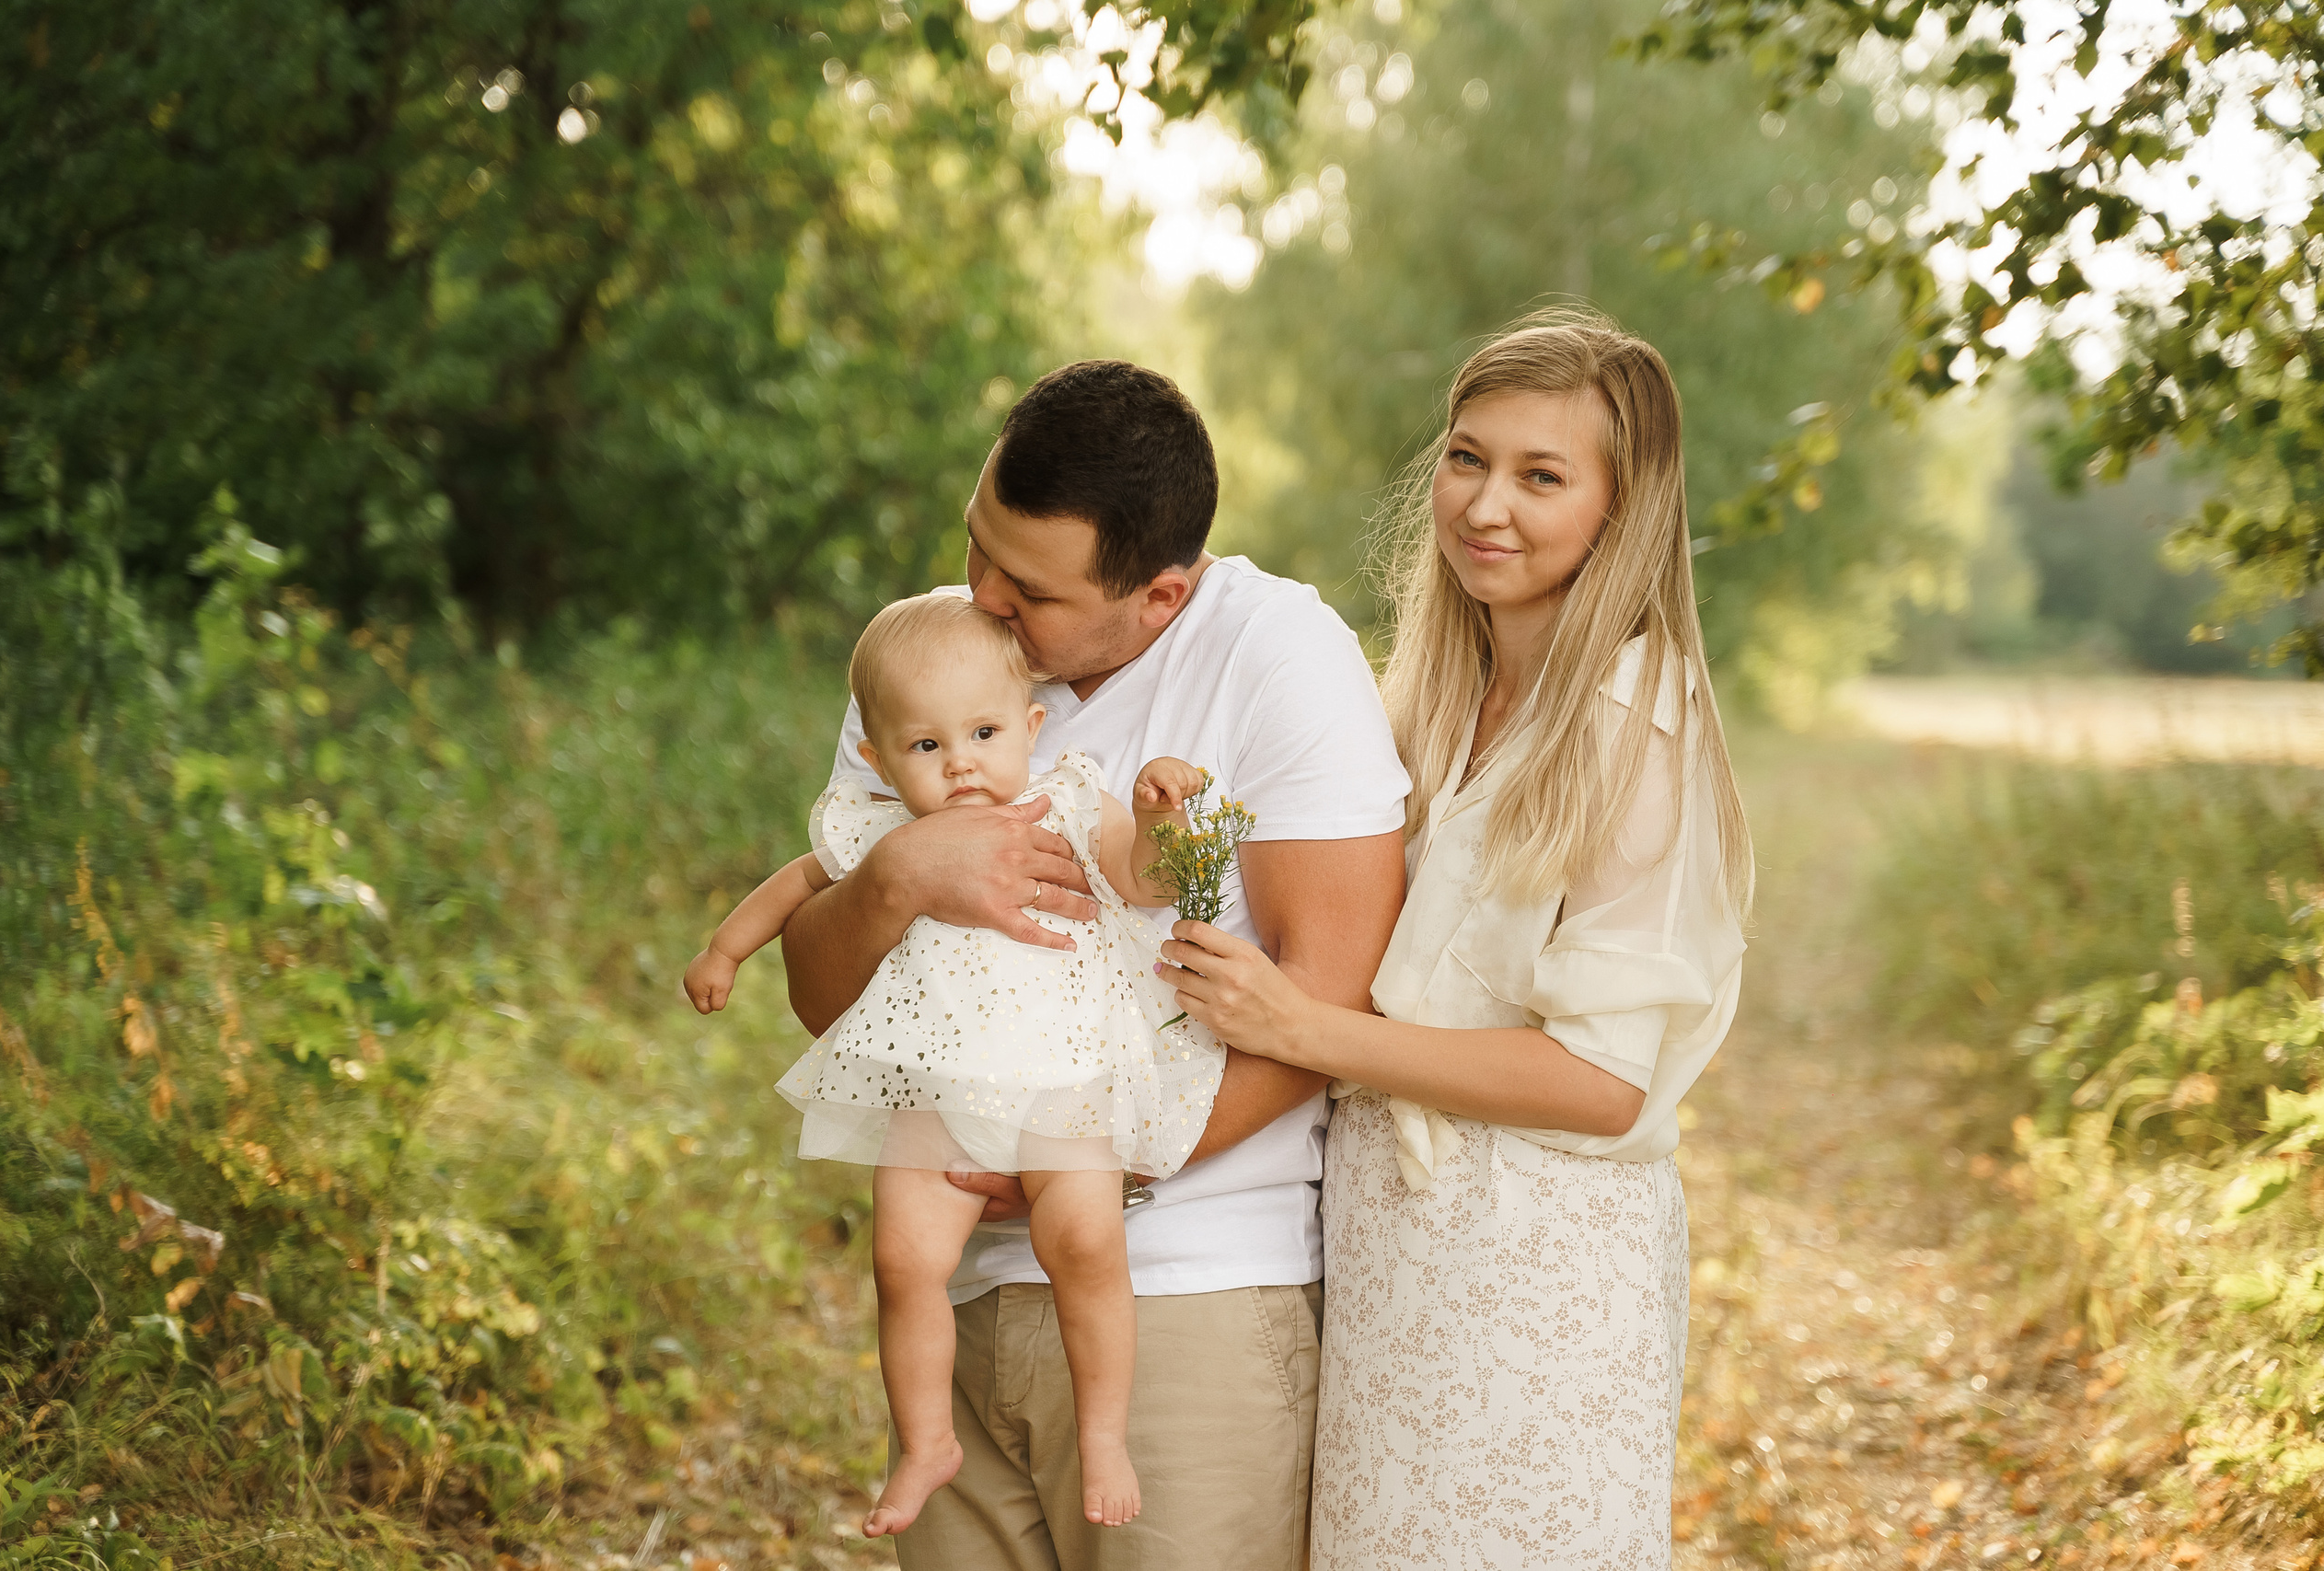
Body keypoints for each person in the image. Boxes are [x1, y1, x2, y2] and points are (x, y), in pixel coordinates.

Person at [780, 360, 1409, 1570]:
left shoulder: (1280, 658)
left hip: (1190, 1292)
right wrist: (904, 875)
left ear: (1160, 595)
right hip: (959, 1287)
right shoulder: (936, 662)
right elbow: (824, 998)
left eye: (1028, 590)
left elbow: (1332, 994)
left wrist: (1078, 1155)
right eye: (976, 548)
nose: (982, 598)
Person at [1159, 307, 1752, 1568]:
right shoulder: (1425, 694)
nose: (1487, 503)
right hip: (1391, 1253)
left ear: (1620, 506)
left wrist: (1315, 1031)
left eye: (1543, 475)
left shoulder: (1632, 729)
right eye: (1467, 456)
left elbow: (1603, 1079)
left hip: (1538, 1267)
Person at [683, 593, 1225, 1535]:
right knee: (904, 1261)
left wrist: (1161, 815)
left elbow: (1145, 880)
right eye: (926, 747)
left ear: (1031, 727)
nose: (961, 762)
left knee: (1087, 1247)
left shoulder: (1060, 798)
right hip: (933, 1084)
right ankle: (926, 1439)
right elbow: (795, 883)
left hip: (1065, 1079)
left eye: (981, 733)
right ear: (878, 757)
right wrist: (724, 951)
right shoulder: (879, 825)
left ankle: (1104, 1438)